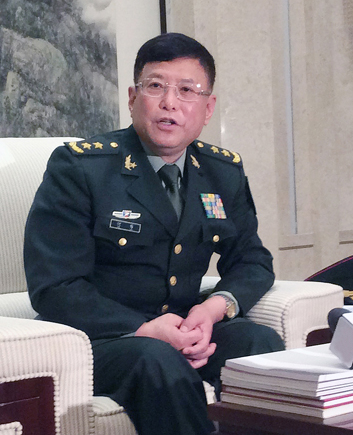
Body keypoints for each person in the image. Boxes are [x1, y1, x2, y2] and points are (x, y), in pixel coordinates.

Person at [24, 32, 284, 435]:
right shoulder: (81, 169)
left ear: (208, 108)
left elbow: (252, 260)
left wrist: (212, 311)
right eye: (156, 86)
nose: (170, 103)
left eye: (187, 90)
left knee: (259, 343)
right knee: (158, 360)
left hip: (182, 327)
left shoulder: (221, 172)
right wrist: (146, 329)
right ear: (133, 98)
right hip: (104, 339)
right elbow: (54, 286)